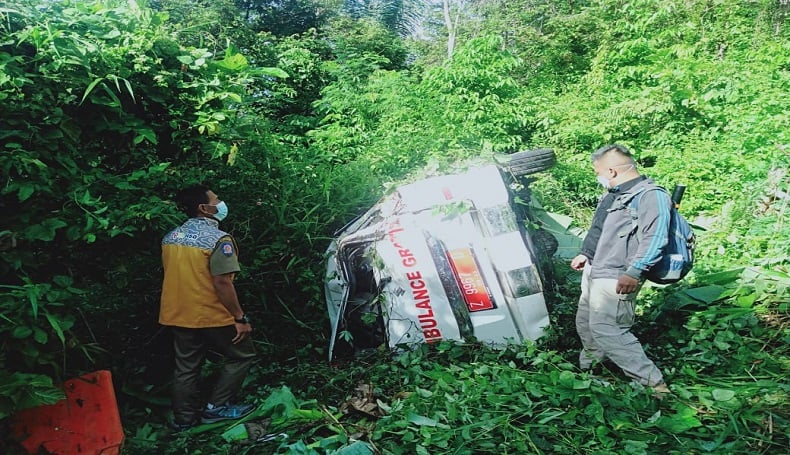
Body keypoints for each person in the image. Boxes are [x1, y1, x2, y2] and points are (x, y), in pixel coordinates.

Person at [569, 144, 671, 396]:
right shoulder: (614, 194)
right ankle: (592, 369)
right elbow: (602, 230)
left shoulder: (651, 196)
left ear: (612, 171)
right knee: (586, 322)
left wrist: (634, 271)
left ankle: (655, 385)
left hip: (618, 273)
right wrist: (586, 254)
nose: (599, 177)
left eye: (599, 172)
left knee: (608, 328)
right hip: (596, 268)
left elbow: (656, 237)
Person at [159, 184, 256, 430]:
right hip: (210, 313)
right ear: (204, 208)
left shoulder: (171, 237)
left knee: (186, 368)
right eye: (216, 199)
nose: (220, 203)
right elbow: (222, 282)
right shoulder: (218, 240)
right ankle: (217, 408)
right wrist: (240, 318)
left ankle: (184, 420)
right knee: (241, 355)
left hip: (176, 313)